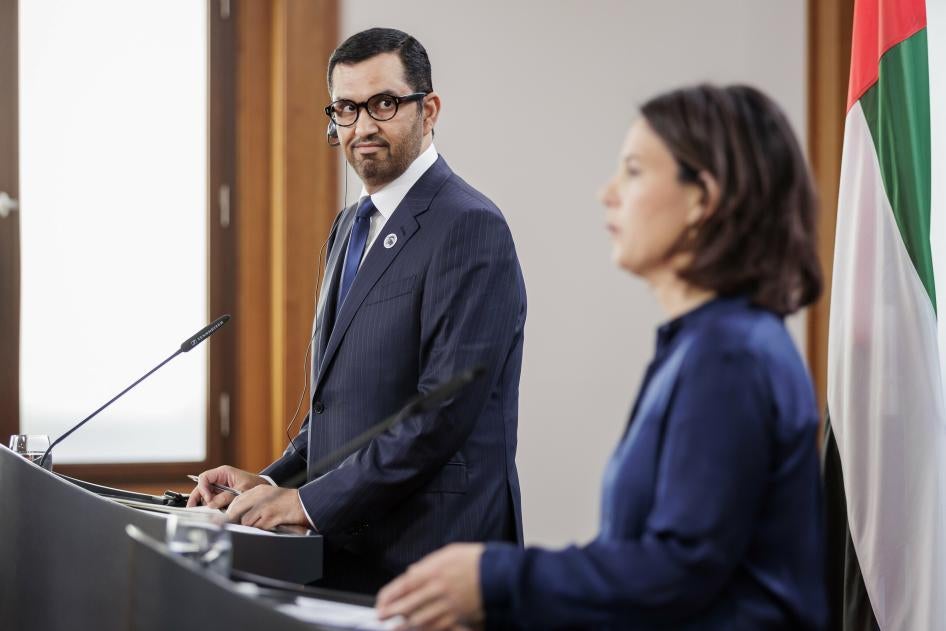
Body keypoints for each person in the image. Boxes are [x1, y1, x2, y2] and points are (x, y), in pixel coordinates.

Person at [376, 84, 828, 629]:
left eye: (634, 171)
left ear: (701, 199)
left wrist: (494, 578)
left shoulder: (729, 355)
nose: (607, 193)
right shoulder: (708, 344)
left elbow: (676, 570)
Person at [188, 27, 527, 593]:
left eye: (384, 103)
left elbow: (438, 417)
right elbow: (343, 410)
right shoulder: (350, 226)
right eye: (347, 108)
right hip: (348, 553)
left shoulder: (469, 226)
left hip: (433, 558)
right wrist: (268, 483)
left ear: (430, 109)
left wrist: (306, 503)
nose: (363, 126)